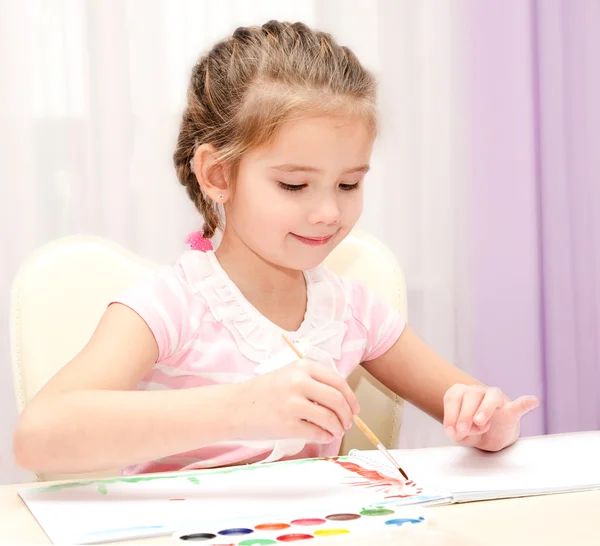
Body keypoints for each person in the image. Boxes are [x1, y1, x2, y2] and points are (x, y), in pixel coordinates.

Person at [13, 20, 538, 476]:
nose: (329, 212)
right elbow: (38, 436)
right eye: (294, 185)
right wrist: (240, 408)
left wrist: (488, 425)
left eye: (349, 184)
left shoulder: (353, 312)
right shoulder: (169, 308)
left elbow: (474, 407)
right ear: (218, 175)